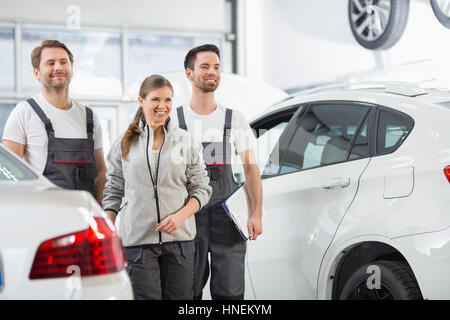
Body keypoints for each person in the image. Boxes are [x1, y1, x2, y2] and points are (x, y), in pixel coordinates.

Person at [102, 75, 212, 300]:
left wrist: (180, 217)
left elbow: (201, 188)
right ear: (141, 101)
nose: (163, 106)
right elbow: (113, 191)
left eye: (168, 100)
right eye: (155, 99)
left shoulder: (186, 141)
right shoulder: (123, 143)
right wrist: (107, 235)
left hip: (180, 242)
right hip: (138, 244)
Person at [171, 44, 263, 300]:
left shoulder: (234, 119)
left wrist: (256, 213)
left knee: (230, 294)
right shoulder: (174, 121)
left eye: (216, 67)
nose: (212, 72)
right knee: (186, 293)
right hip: (188, 218)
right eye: (204, 67)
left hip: (228, 218)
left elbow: (251, 169)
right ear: (189, 74)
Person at [2, 40, 106, 202]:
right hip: (42, 218)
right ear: (36, 73)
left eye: (63, 62)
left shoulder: (89, 117)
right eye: (50, 63)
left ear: (71, 69)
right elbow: (6, 173)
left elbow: (101, 172)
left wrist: (102, 211)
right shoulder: (24, 112)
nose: (58, 67)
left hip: (84, 220)